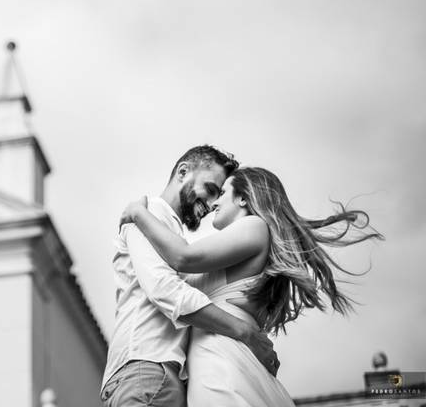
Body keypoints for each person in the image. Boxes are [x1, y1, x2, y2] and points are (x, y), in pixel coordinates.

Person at [120, 166, 383, 406]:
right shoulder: (246, 243)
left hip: (218, 360)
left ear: (243, 198)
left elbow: (183, 257)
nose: (214, 203)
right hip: (219, 356)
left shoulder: (255, 227)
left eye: (222, 193)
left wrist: (138, 213)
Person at [100, 146, 278, 407]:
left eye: (219, 194)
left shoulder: (165, 231)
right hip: (147, 371)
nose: (211, 204)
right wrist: (245, 332)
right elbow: (165, 290)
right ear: (183, 171)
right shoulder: (149, 214)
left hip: (155, 376)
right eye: (210, 189)